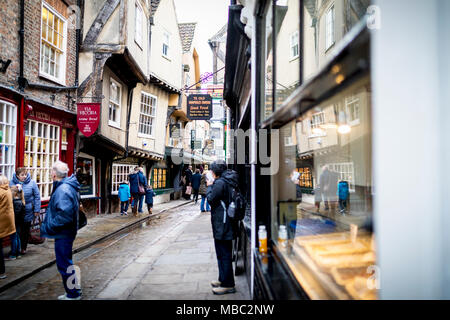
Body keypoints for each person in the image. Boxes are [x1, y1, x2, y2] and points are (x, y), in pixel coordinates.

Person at [40, 160, 82, 300]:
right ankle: (74, 290)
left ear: (54, 174)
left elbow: (64, 215)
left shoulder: (63, 189)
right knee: (66, 261)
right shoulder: (66, 186)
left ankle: (73, 294)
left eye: (51, 170)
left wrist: (49, 226)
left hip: (64, 232)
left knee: (64, 263)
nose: (51, 172)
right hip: (67, 231)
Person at [206, 160, 238, 295]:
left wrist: (209, 186)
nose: (211, 172)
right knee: (222, 253)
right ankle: (222, 279)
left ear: (215, 171)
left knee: (223, 254)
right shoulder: (228, 180)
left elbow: (210, 199)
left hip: (222, 223)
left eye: (212, 170)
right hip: (226, 223)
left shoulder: (219, 183)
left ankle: (228, 284)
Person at [10, 167, 41, 255]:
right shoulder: (11, 182)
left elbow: (37, 197)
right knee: (16, 230)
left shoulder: (32, 183)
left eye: (25, 174)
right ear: (17, 175)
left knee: (25, 230)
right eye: (22, 175)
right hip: (16, 211)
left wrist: (37, 209)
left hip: (28, 210)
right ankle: (16, 248)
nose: (24, 176)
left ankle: (23, 248)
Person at [0, 176, 16, 280]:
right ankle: (2, 272)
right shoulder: (8, 190)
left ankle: (1, 272)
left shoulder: (1, 192)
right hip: (7, 222)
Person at [5, 185, 25, 260]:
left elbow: (14, 214)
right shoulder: (21, 201)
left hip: (15, 222)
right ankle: (18, 253)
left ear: (14, 194)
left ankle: (13, 254)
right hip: (19, 222)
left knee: (14, 238)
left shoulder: (15, 202)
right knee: (17, 237)